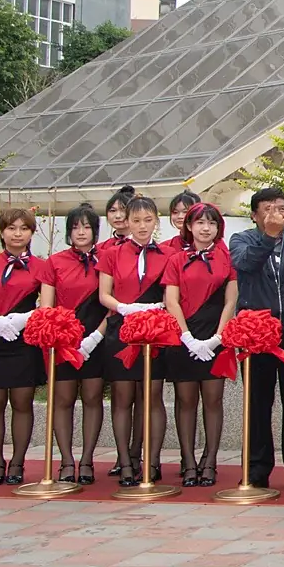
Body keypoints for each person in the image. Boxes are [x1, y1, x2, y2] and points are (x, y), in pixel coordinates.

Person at [231, 187, 284, 490]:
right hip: (256, 331)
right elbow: (244, 265)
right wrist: (268, 236)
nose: (275, 214)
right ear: (255, 215)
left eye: (280, 208)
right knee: (257, 402)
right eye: (267, 209)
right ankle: (257, 467)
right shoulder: (243, 240)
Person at [0, 208, 53, 486]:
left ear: (31, 232)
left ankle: (17, 463)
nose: (18, 233)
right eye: (12, 228)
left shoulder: (42, 266)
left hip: (24, 338)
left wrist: (25, 318)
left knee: (22, 401)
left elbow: (48, 304)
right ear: (1, 231)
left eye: (24, 228)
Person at [164, 202, 237, 487]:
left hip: (216, 334)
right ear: (189, 226)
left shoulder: (227, 258)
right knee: (185, 401)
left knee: (213, 400)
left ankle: (210, 461)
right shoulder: (175, 260)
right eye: (200, 223)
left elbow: (231, 300)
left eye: (212, 223)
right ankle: (188, 461)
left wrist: (218, 337)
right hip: (185, 336)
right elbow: (171, 299)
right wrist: (187, 338)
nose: (206, 228)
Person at [100, 195, 171, 487]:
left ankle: (151, 461)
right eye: (136, 220)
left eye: (148, 220)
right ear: (126, 222)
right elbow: (104, 294)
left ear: (156, 221)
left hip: (156, 332)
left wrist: (155, 310)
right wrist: (125, 308)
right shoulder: (112, 254)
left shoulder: (168, 255)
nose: (142, 226)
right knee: (122, 396)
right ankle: (126, 462)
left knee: (152, 396)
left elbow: (171, 295)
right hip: (121, 330)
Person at [50, 205, 108, 484]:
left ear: (96, 231)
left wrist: (96, 336)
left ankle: (86, 460)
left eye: (86, 226)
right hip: (63, 340)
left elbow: (114, 302)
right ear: (69, 231)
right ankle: (65, 460)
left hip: (96, 338)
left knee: (93, 398)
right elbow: (47, 306)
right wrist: (59, 337)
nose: (81, 232)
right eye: (76, 227)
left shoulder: (108, 259)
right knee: (63, 400)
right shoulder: (55, 261)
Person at [160, 190, 202, 261]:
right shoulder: (165, 247)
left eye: (185, 212)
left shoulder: (211, 245)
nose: (180, 216)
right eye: (175, 212)